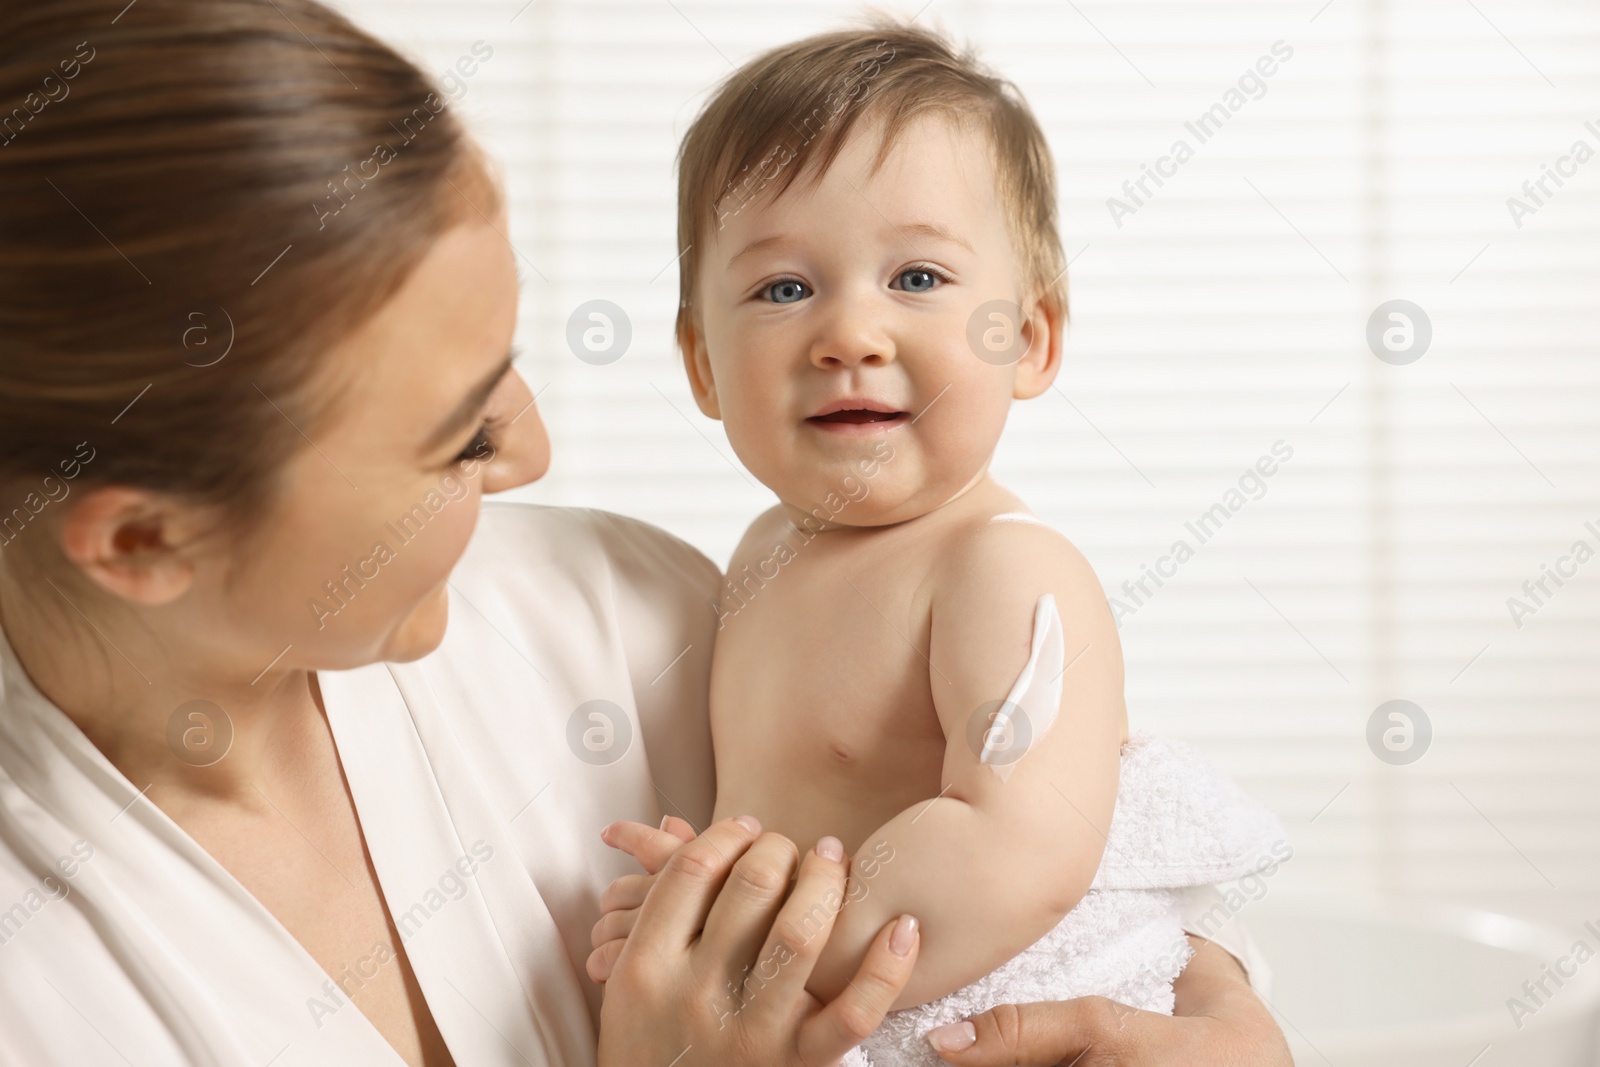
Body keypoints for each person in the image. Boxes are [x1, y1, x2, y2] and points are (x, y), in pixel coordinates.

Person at [0, 2, 1291, 1065]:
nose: (535, 448)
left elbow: (1060, 858)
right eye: (454, 430)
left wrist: (1223, 1012)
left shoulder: (630, 611)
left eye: (507, 361)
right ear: (142, 541)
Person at [582, 25, 1287, 1066]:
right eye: (784, 288)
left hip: (982, 1015)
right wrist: (703, 899)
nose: (850, 333)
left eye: (915, 277)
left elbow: (1015, 850)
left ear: (1031, 338)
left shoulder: (1001, 568)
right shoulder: (760, 555)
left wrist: (756, 950)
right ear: (701, 366)